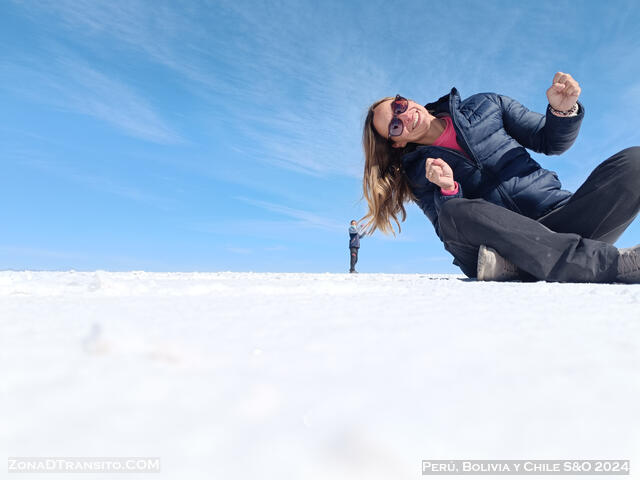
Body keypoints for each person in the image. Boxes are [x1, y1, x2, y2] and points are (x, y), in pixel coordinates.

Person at [360, 72, 640, 283]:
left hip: (562, 219)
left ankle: (522, 269)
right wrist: (448, 189)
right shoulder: (418, 173)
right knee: (454, 211)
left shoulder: (486, 105)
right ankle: (612, 265)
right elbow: (450, 229)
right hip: (504, 246)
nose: (405, 117)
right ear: (396, 143)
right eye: (395, 126)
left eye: (399, 106)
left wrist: (562, 111)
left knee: (635, 161)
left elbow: (549, 141)